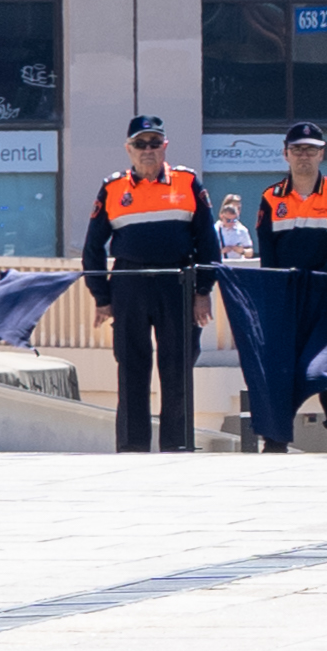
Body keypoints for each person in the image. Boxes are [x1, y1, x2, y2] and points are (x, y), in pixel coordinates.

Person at [82, 120, 215, 450]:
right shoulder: (112, 188)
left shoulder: (187, 182)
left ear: (165, 146)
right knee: (131, 369)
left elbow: (208, 242)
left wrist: (203, 291)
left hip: (177, 283)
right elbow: (93, 248)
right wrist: (101, 296)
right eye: (140, 144)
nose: (147, 150)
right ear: (128, 149)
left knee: (177, 370)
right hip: (129, 285)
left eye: (154, 143)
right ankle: (132, 448)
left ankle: (177, 446)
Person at [255, 127, 327, 455]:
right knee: (281, 372)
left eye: (310, 150)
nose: (304, 155)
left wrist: (321, 286)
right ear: (286, 154)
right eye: (297, 149)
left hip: (325, 298)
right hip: (287, 301)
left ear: (321, 154)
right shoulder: (271, 197)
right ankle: (275, 445)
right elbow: (268, 252)